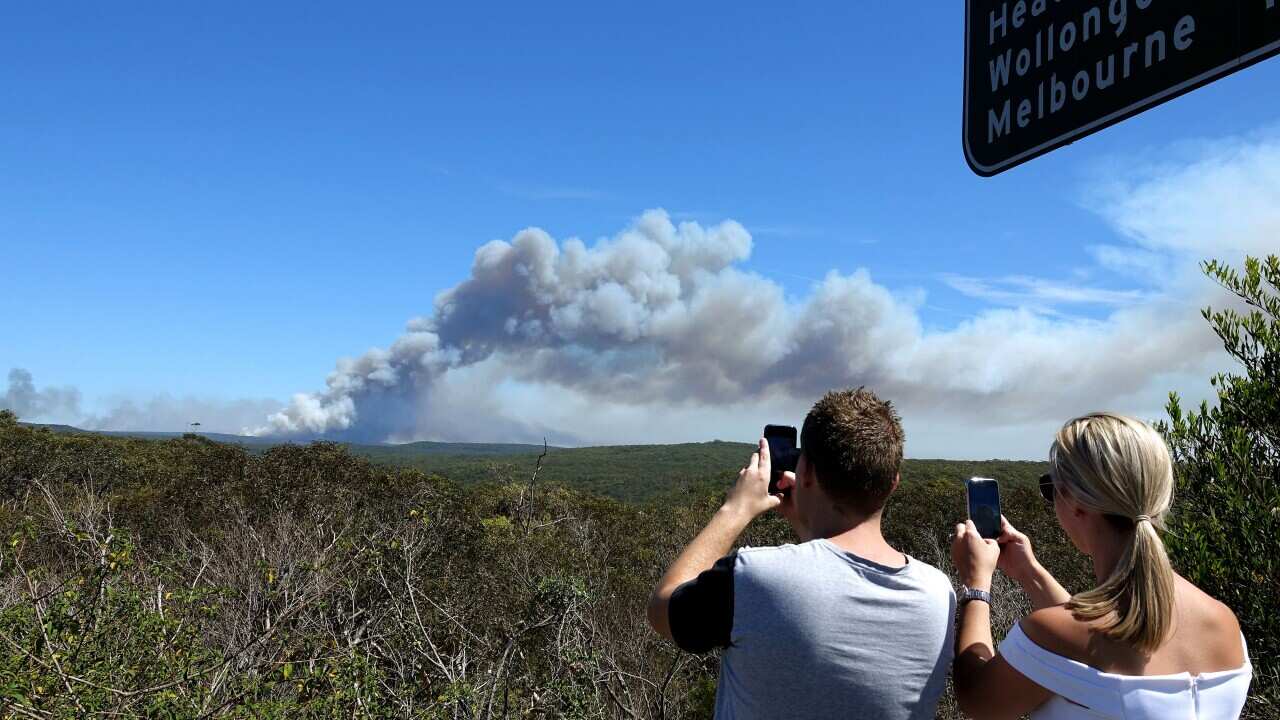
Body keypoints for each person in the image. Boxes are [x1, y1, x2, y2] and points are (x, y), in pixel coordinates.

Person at [646, 388, 955, 720]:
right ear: (893, 483)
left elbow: (662, 609)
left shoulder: (755, 577)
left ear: (805, 472)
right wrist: (812, 530)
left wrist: (734, 511)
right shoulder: (939, 595)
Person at [950, 412, 1253, 719]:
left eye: (1051, 487)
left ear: (1077, 502)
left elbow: (978, 698)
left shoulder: (1052, 634)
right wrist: (1029, 572)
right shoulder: (1225, 624)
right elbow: (1098, 643)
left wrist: (976, 585)